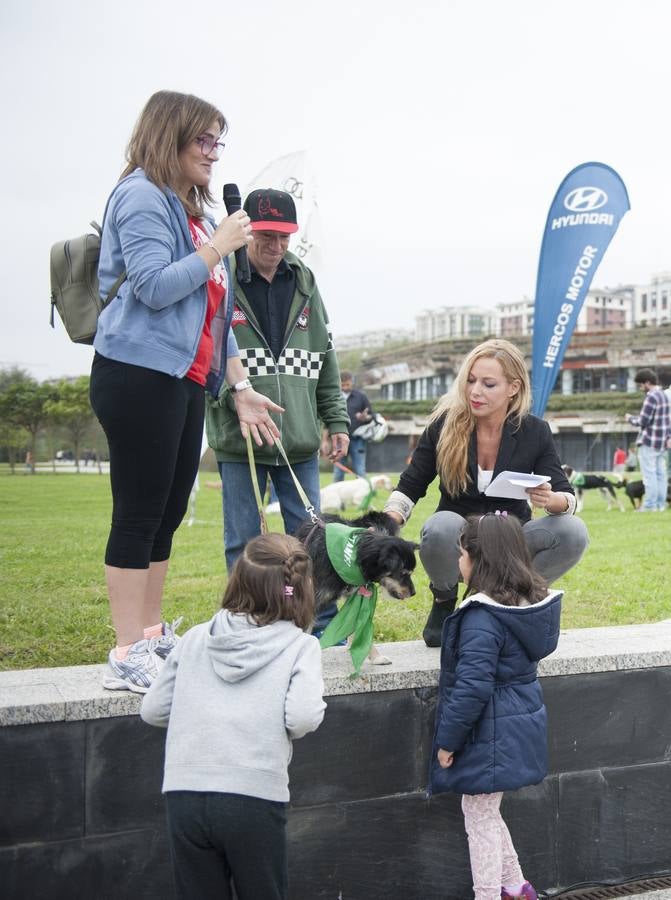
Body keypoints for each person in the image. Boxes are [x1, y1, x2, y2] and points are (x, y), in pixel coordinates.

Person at [91, 90, 282, 693]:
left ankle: (149, 636)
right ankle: (126, 649)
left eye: (217, 143)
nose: (213, 154)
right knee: (140, 509)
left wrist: (240, 385)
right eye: (203, 141)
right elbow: (152, 287)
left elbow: (213, 311)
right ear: (168, 135)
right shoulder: (142, 195)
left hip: (184, 379)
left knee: (168, 512)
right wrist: (219, 246)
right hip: (138, 373)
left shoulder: (191, 211)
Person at [140, 532, 326, 900]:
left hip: (184, 793)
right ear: (300, 589)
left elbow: (153, 709)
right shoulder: (301, 646)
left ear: (237, 580)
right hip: (254, 797)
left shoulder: (194, 638)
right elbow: (303, 717)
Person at [383, 339, 586, 647]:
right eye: (471, 381)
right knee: (439, 527)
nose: (475, 391)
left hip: (510, 538)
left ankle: (512, 602)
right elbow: (411, 484)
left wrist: (551, 499)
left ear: (513, 388)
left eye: (489, 384)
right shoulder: (443, 425)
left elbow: (565, 496)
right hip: (461, 539)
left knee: (573, 531)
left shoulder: (535, 431)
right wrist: (386, 523)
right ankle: (444, 600)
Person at [207, 188, 349, 572]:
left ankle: (316, 626)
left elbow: (325, 355)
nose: (276, 245)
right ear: (247, 231)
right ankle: (245, 623)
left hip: (299, 438)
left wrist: (336, 420)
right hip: (241, 441)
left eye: (284, 236)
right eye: (267, 235)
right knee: (242, 541)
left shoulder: (305, 281)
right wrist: (228, 398)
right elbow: (205, 348)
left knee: (309, 539)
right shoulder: (222, 279)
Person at [430, 513, 559, 900]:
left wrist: (448, 742)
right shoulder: (526, 605)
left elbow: (471, 688)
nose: (458, 562)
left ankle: (488, 895)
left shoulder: (483, 618)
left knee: (480, 818)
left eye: (462, 554)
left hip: (489, 734)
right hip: (516, 726)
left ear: (479, 560)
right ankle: (517, 888)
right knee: (486, 811)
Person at [628, 368, 671, 512]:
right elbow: (667, 421)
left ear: (647, 382)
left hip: (649, 441)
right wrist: (668, 437)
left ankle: (649, 505)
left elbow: (643, 421)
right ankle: (660, 505)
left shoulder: (651, 396)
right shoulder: (664, 395)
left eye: (641, 385)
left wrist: (629, 418)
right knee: (661, 474)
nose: (641, 388)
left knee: (649, 475)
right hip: (662, 442)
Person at [334, 372, 373, 481]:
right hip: (339, 439)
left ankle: (364, 495)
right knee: (338, 472)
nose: (345, 387)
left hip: (358, 439)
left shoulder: (361, 397)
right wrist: (324, 440)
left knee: (360, 470)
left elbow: (371, 415)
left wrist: (365, 417)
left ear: (352, 382)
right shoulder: (334, 397)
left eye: (348, 384)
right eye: (343, 385)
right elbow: (329, 420)